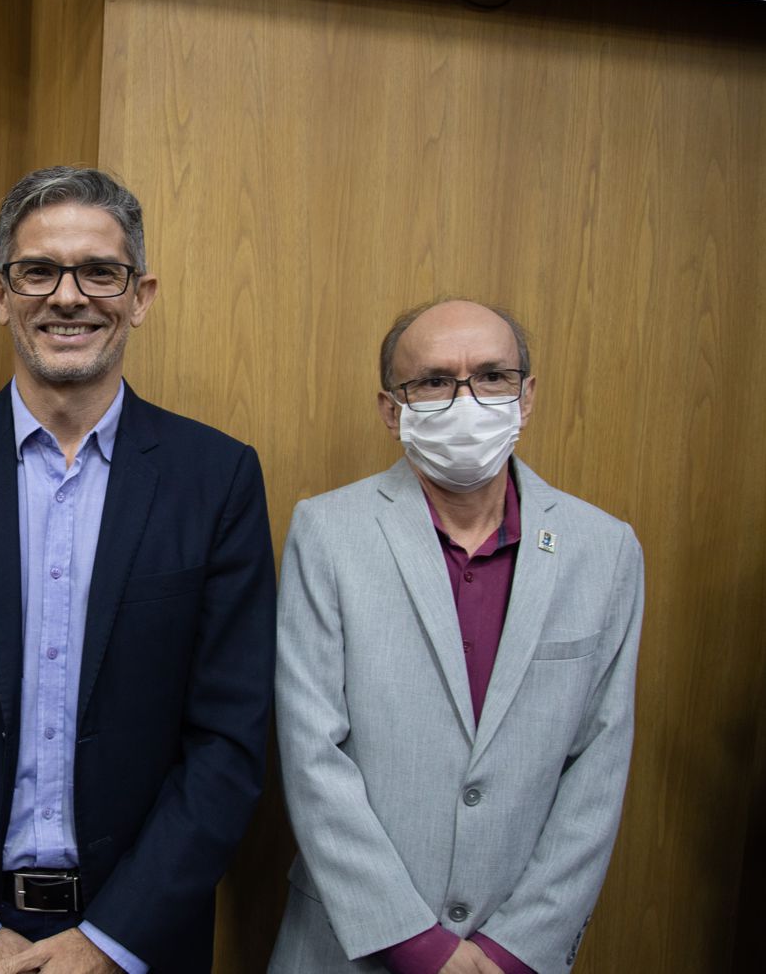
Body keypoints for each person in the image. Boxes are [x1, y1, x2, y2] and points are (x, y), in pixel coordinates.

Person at [0, 166, 275, 974]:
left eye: (99, 272)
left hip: (140, 938)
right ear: (0, 293)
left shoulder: (215, 479)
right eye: (38, 271)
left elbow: (228, 738)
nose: (67, 297)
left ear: (139, 296)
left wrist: (111, 943)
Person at [269, 299, 643, 974]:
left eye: (493, 377)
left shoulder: (605, 550)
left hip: (518, 955)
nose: (467, 400)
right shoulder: (328, 534)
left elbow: (599, 768)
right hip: (348, 948)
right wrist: (418, 946)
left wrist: (516, 947)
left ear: (526, 397)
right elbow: (310, 752)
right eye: (435, 381)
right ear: (392, 409)